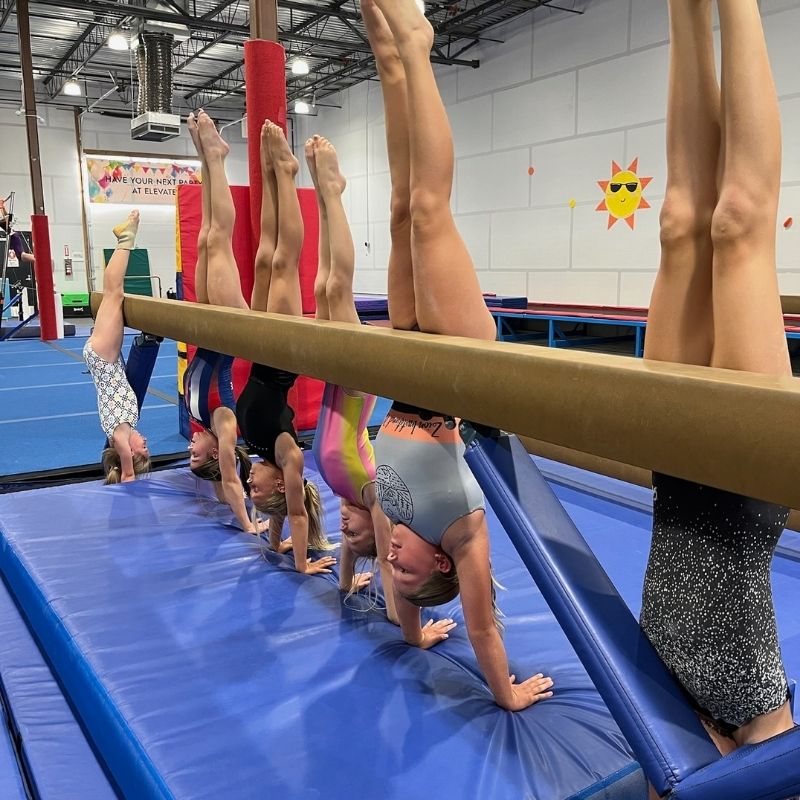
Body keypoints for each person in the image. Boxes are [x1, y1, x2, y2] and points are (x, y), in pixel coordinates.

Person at [364, 0, 553, 711]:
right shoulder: (463, 533)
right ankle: (418, 44)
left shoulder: (395, 524)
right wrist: (506, 695)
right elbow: (480, 626)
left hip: (406, 368)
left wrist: (412, 632)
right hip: (454, 376)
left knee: (400, 211)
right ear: (441, 562)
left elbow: (402, 604)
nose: (392, 559)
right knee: (430, 211)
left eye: (393, 570)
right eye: (408, 570)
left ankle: (389, 61)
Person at [639, 0, 795, 763]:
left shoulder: (663, 738)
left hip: (674, 479)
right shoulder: (767, 731)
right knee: (735, 226)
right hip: (740, 492)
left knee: (679, 223)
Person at [193, 110, 334, 575]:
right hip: (281, 357)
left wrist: (275, 541)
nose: (251, 481)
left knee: (263, 259)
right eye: (258, 488)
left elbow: (278, 516)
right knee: (284, 261)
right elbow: (296, 512)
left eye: (249, 488)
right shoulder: (289, 456)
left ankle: (269, 173)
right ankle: (286, 175)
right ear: (281, 484)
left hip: (260, 352)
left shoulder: (259, 453)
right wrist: (302, 563)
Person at [306, 135, 397, 618]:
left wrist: (348, 582)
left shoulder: (344, 495)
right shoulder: (375, 496)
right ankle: (334, 192)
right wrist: (400, 619)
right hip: (356, 392)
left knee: (323, 287)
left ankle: (324, 196)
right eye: (355, 532)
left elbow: (346, 562)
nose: (344, 528)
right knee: (339, 288)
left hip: (334, 387)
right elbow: (386, 561)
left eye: (346, 535)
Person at [184, 111, 256, 534]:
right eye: (196, 454)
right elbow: (230, 481)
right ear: (217, 453)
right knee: (218, 239)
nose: (190, 447)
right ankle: (217, 158)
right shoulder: (225, 426)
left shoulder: (199, 420)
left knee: (204, 239)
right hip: (230, 330)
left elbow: (218, 485)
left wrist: (210, 486)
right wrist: (247, 525)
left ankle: (205, 157)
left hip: (210, 330)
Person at [83, 211, 151, 483]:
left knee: (114, 293)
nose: (146, 442)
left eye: (144, 449)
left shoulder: (119, 435)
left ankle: (126, 238)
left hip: (104, 359)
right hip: (105, 358)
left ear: (130, 454)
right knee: (113, 294)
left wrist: (129, 474)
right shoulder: (127, 425)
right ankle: (125, 239)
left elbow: (127, 472)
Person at [0, 198, 34, 266]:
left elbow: (7, 219)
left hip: (20, 250)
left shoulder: (9, 231)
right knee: (35, 258)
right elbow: (6, 219)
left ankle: (2, 207)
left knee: (35, 259)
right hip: (16, 242)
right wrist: (2, 207)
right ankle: (2, 207)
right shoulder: (9, 231)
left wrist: (2, 207)